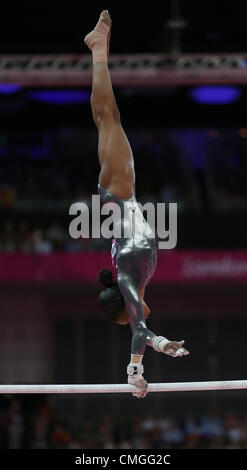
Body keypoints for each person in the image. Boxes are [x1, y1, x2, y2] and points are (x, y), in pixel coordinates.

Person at [84, 10, 189, 398]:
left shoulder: (130, 280)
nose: (134, 319)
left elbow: (140, 331)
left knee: (107, 116)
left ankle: (97, 49)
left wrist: (163, 346)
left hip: (118, 191)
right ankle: (97, 49)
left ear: (123, 308)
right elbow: (137, 334)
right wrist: (134, 374)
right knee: (105, 117)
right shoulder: (137, 282)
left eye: (125, 318)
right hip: (119, 193)